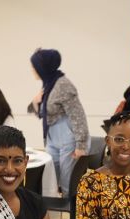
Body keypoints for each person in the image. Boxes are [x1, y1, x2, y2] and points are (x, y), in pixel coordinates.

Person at [28, 48, 90, 196]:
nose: (32, 69)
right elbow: (45, 113)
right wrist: (35, 102)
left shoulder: (63, 85)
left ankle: (73, 218)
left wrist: (81, 145)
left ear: (43, 67)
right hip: (52, 139)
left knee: (68, 184)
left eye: (34, 66)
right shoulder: (49, 84)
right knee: (50, 181)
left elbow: (78, 116)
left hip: (67, 139)